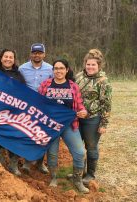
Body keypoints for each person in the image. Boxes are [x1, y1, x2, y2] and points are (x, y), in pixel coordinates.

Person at [38, 59, 89, 193]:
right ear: (53, 70)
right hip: (51, 125)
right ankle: (53, 177)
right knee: (53, 154)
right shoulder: (45, 85)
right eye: (56, 68)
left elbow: (79, 104)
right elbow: (38, 103)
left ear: (67, 70)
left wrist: (83, 111)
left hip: (69, 124)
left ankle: (77, 180)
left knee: (80, 152)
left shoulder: (73, 86)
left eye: (61, 68)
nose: (58, 71)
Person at [75, 49, 112, 185]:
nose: (90, 67)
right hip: (77, 118)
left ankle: (90, 174)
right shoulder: (79, 77)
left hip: (93, 120)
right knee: (78, 147)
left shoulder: (103, 81)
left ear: (99, 66)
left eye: (93, 65)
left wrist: (103, 124)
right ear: (85, 64)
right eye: (88, 64)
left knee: (91, 147)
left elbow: (106, 104)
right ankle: (78, 171)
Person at [19, 43, 53, 174]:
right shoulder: (22, 68)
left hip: (44, 108)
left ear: (44, 54)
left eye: (39, 53)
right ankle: (27, 162)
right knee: (28, 134)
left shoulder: (51, 69)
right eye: (34, 52)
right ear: (30, 54)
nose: (37, 55)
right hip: (27, 107)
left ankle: (40, 162)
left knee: (42, 135)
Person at [0, 49, 26, 176]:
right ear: (1, 58)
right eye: (5, 56)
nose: (8, 59)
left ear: (14, 60)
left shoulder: (18, 75)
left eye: (11, 57)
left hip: (14, 113)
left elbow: (24, 93)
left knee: (15, 136)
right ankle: (1, 162)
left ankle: (13, 164)